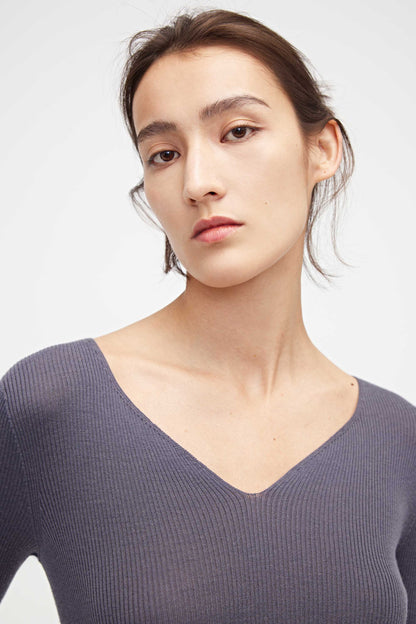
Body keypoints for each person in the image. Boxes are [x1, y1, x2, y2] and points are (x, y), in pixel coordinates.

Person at [1, 7, 415, 623]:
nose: (197, 181)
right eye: (164, 153)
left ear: (322, 148)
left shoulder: (399, 439)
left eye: (238, 131)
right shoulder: (49, 405)